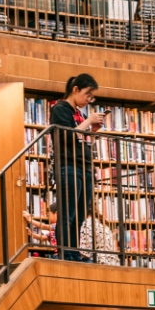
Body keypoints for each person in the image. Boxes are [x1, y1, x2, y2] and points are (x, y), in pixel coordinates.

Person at [49, 74, 105, 261]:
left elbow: (83, 143)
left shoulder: (79, 114)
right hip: (69, 166)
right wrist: (88, 121)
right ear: (75, 89)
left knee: (80, 216)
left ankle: (73, 251)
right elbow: (65, 136)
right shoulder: (60, 108)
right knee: (68, 214)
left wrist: (93, 131)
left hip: (85, 167)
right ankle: (67, 253)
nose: (88, 100)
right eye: (87, 94)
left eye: (91, 97)